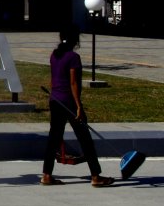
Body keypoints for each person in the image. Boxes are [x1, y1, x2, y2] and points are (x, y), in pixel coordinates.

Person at [42, 24, 115, 187]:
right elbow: (74, 83)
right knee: (85, 139)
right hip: (69, 102)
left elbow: (54, 79)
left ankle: (46, 175)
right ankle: (96, 176)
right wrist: (79, 106)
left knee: (53, 139)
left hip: (55, 100)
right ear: (75, 39)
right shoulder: (73, 57)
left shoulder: (54, 55)